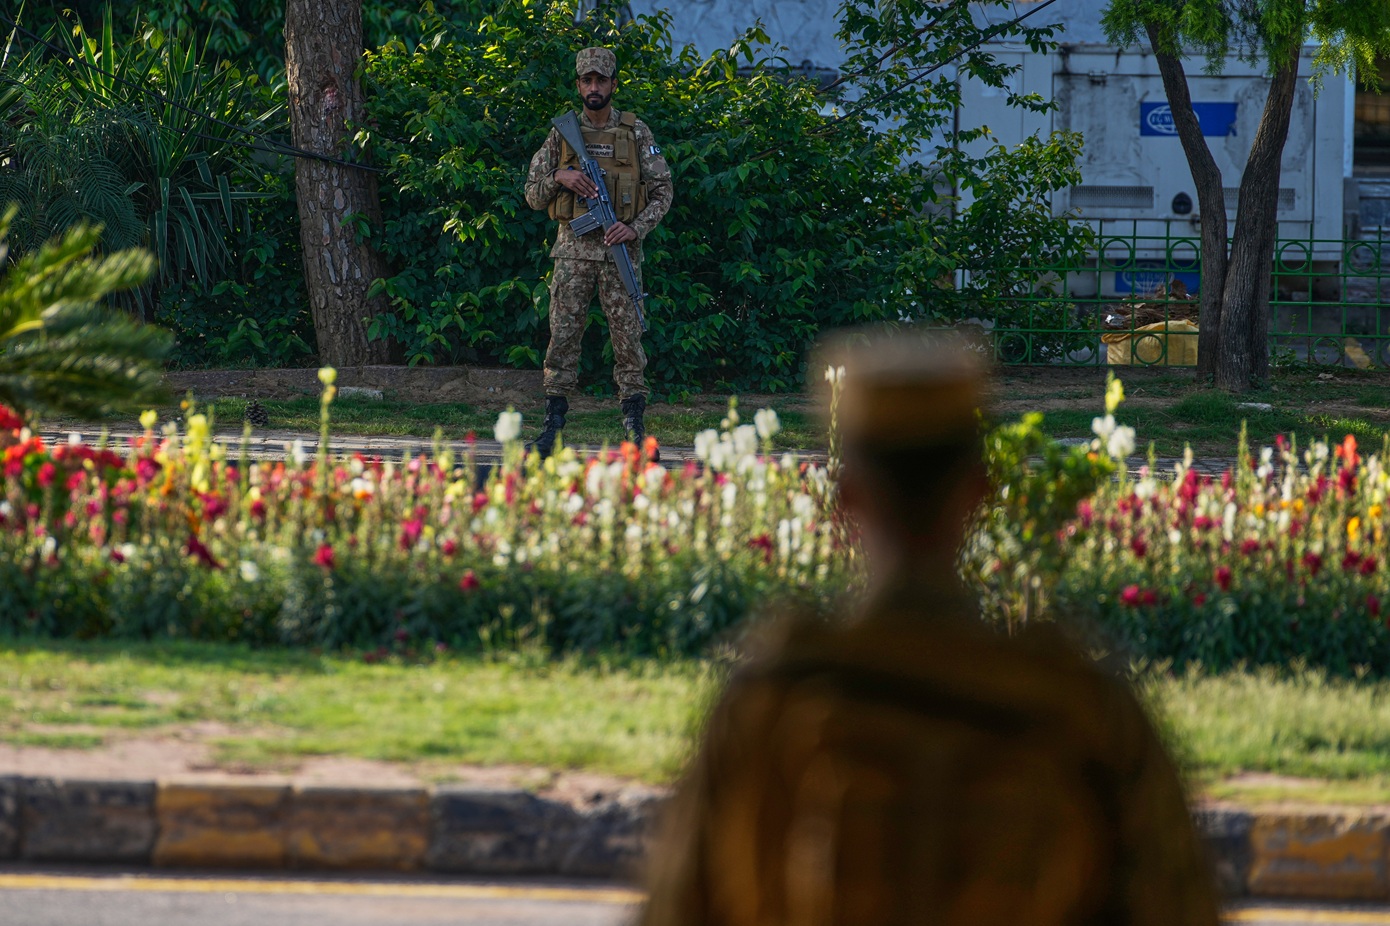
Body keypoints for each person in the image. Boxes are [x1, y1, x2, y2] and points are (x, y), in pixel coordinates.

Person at [638, 332, 1221, 926]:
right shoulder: (1083, 710)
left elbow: (683, 902)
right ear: (980, 491)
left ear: (846, 500)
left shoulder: (769, 705)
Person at [524, 46, 673, 458]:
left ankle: (635, 429)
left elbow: (663, 192)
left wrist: (634, 227)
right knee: (563, 340)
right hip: (572, 256)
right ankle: (552, 429)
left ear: (612, 84)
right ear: (578, 85)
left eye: (601, 80)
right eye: (587, 80)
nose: (594, 87)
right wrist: (561, 175)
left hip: (620, 255)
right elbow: (533, 196)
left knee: (629, 341)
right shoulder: (561, 135)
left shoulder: (636, 132)